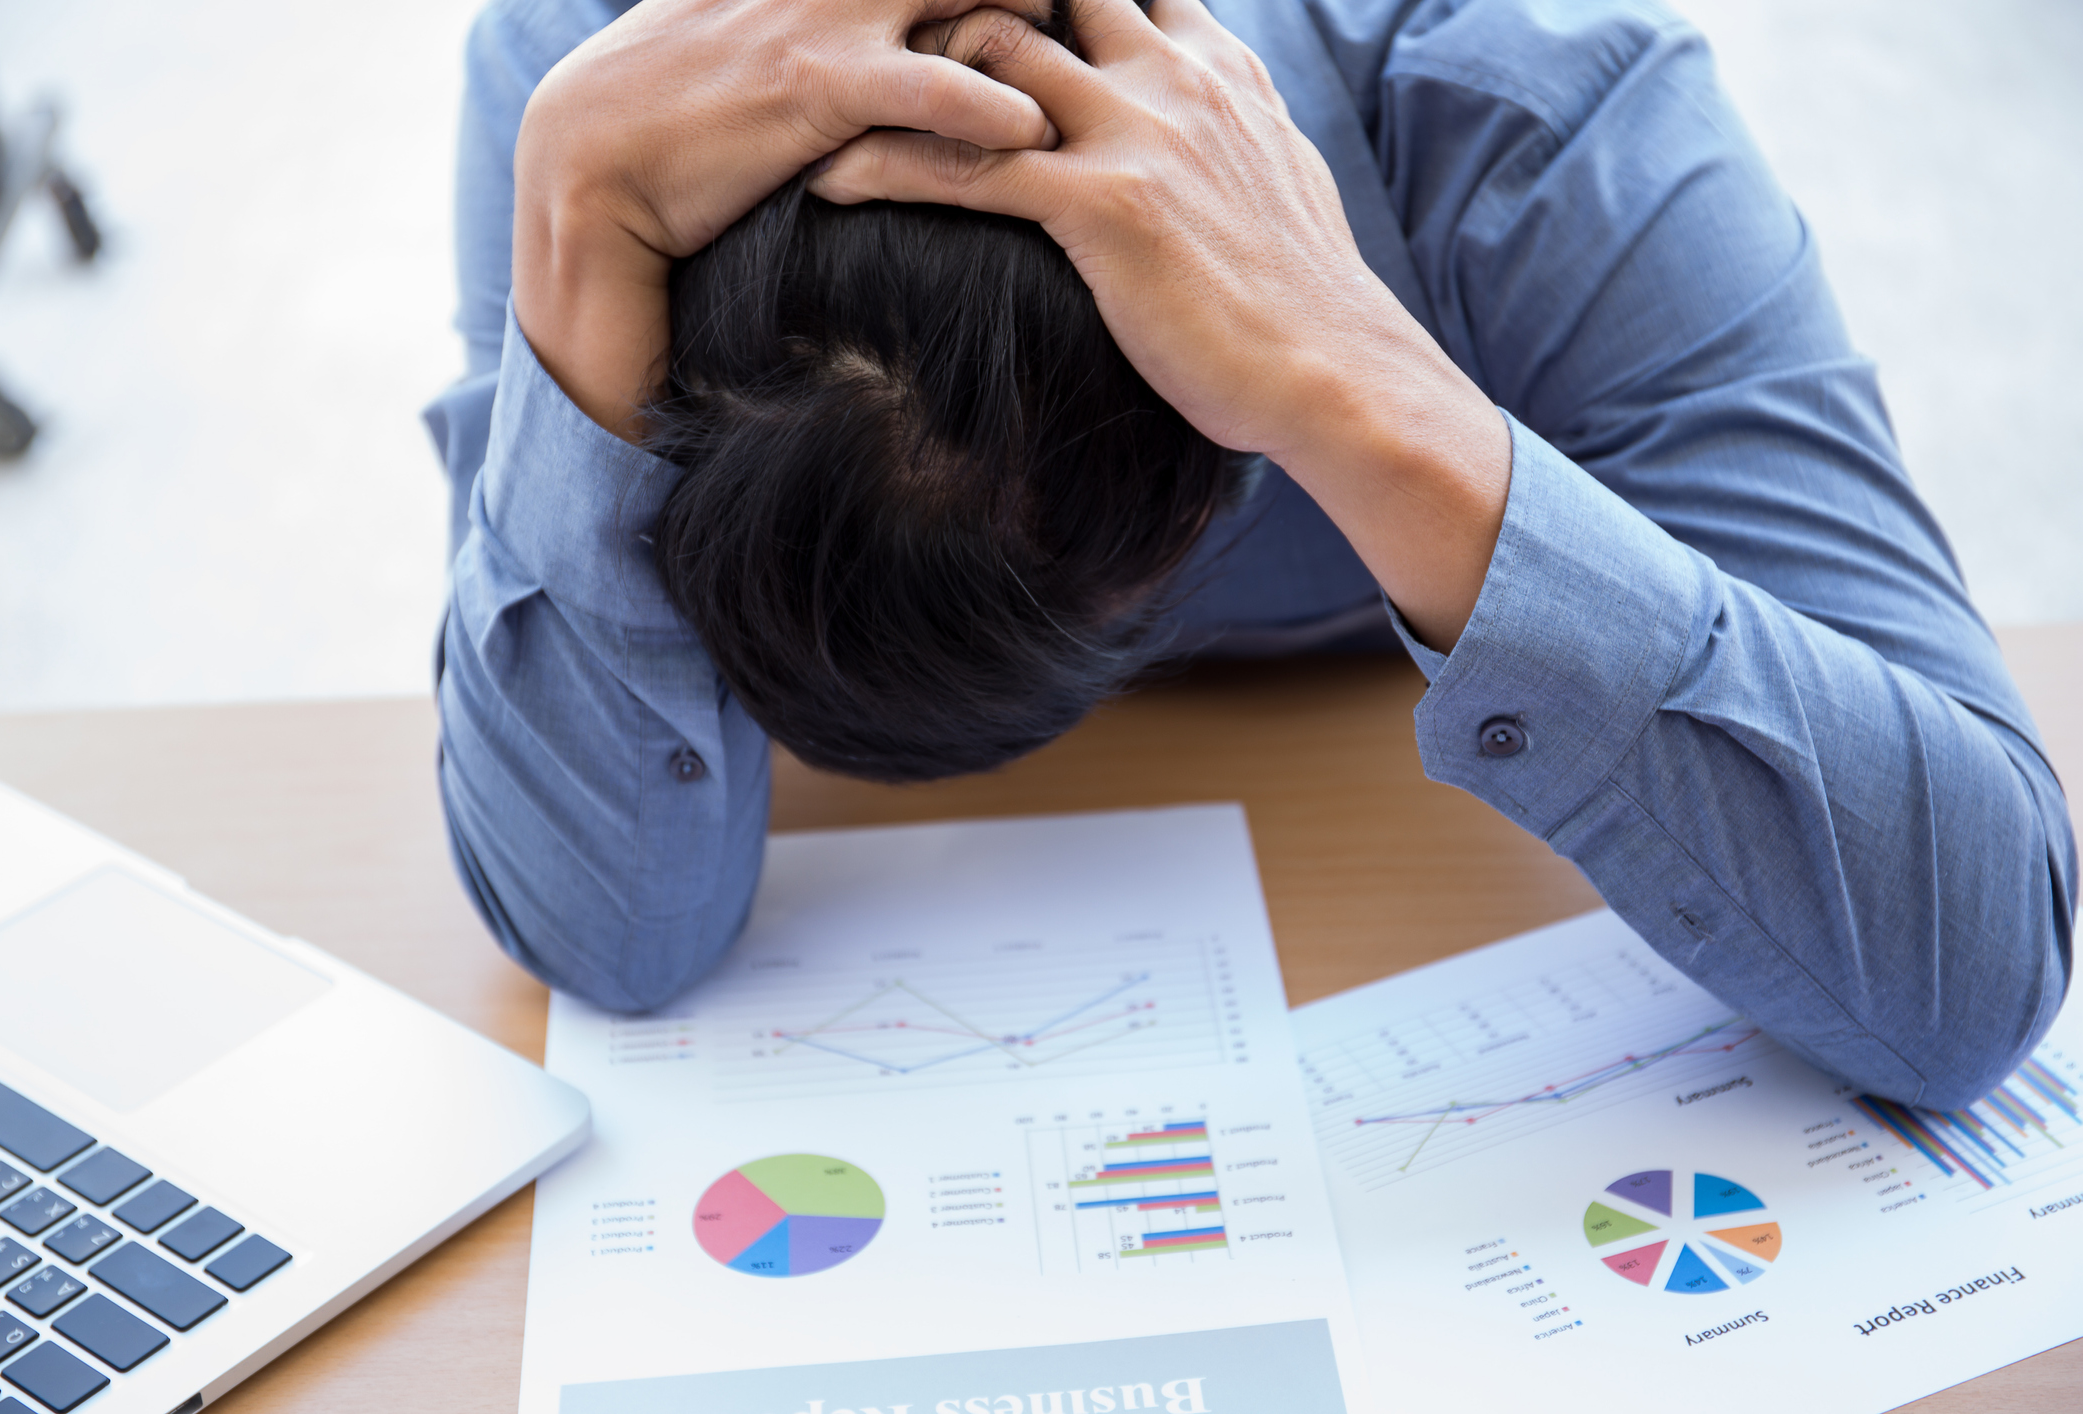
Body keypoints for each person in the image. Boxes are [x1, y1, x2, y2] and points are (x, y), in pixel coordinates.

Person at [423, 0, 2074, 1110]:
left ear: (1225, 469)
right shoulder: (599, 93)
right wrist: (571, 232)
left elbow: (1972, 960)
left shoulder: (1523, 96)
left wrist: (1357, 377)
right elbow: (609, 930)